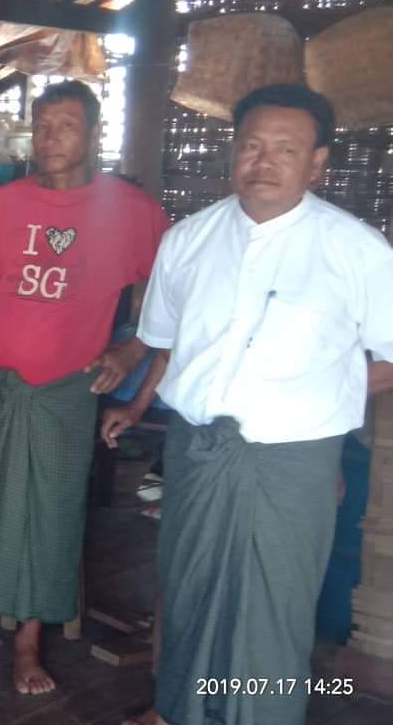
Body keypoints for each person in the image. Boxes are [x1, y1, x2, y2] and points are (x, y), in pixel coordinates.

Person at [110, 84, 393, 725]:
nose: (263, 161)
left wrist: (327, 395)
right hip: (199, 452)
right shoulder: (188, 239)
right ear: (233, 152)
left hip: (292, 463)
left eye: (285, 149)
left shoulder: (356, 251)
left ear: (317, 163)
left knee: (272, 608)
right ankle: (180, 713)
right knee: (189, 592)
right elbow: (166, 341)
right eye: (251, 146)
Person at [0, 81, 169, 697]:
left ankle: (27, 644)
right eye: (43, 125)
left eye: (67, 125)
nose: (51, 138)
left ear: (95, 134)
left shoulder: (132, 211)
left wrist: (130, 351)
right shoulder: (3, 204)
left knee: (47, 515)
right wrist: (12, 345)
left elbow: (171, 300)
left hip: (65, 392)